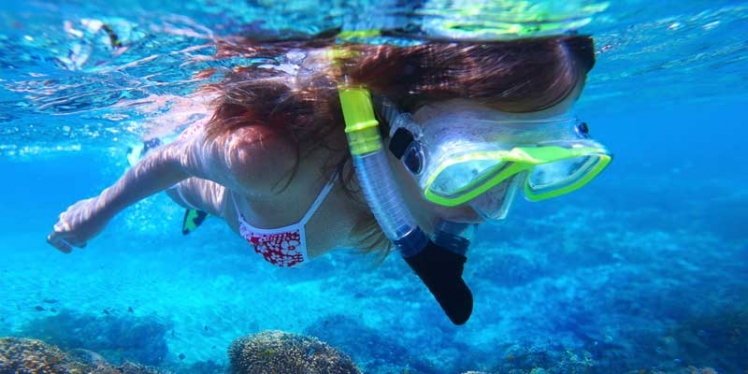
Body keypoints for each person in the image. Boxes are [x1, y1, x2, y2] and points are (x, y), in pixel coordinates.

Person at [47, 34, 611, 324]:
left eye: (531, 165)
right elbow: (172, 160)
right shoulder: (265, 158)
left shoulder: (429, 187)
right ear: (394, 126)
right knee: (190, 191)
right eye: (473, 166)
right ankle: (182, 197)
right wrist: (94, 213)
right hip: (238, 202)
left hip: (293, 218)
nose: (494, 206)